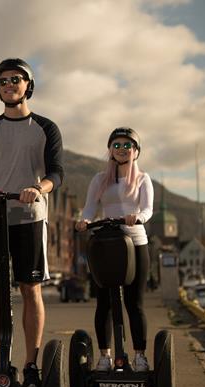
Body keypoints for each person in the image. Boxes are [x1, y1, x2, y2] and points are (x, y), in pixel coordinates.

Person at [0, 58, 64, 387]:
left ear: (28, 85)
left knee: (29, 288)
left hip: (29, 217)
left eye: (16, 79)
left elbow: (56, 172)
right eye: (3, 80)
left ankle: (31, 365)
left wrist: (39, 188)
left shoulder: (45, 128)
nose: (9, 84)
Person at [75, 127, 154, 372]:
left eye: (127, 145)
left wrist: (137, 216)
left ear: (136, 151)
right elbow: (89, 208)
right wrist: (84, 221)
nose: (121, 149)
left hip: (135, 243)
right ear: (110, 150)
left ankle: (140, 356)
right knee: (105, 303)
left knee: (134, 302)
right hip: (107, 243)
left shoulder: (143, 179)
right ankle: (105, 356)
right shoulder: (100, 179)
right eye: (116, 145)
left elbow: (148, 209)